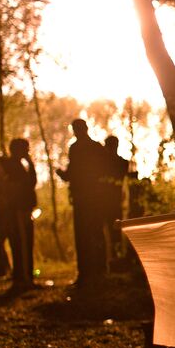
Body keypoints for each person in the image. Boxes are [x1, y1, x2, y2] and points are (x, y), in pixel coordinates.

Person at [58, 119, 106, 288]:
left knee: (83, 234)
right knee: (96, 232)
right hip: (95, 198)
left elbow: (72, 174)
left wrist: (62, 175)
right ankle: (100, 270)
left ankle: (86, 273)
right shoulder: (97, 147)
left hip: (83, 198)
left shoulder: (76, 148)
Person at [0, 138, 37, 292]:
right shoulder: (10, 165)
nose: (28, 151)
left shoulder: (18, 165)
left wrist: (31, 163)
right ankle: (23, 279)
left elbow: (31, 182)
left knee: (26, 243)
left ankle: (26, 277)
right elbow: (26, 185)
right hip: (18, 211)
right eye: (26, 148)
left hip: (23, 210)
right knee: (21, 243)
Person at [101, 136, 129, 262]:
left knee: (110, 230)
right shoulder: (122, 162)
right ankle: (115, 257)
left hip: (107, 202)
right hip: (115, 201)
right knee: (114, 230)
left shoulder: (105, 164)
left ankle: (112, 258)